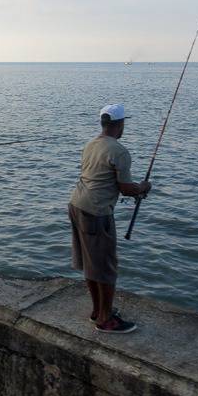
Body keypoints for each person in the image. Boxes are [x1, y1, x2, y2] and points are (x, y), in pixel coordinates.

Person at [68, 104, 150, 334]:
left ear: (103, 123)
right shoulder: (119, 151)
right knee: (106, 267)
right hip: (96, 213)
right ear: (120, 124)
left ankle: (98, 310)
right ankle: (105, 320)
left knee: (91, 263)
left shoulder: (90, 144)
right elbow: (126, 189)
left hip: (76, 205)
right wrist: (143, 187)